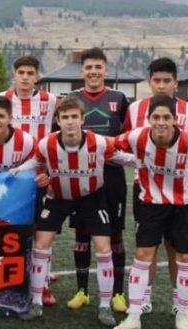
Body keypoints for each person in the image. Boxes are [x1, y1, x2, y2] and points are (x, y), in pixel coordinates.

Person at [19, 97, 134, 326]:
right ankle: (36, 302)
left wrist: (147, 160)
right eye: (65, 117)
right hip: (59, 197)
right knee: (41, 244)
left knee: (103, 247)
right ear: (58, 121)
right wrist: (14, 172)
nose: (70, 122)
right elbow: (33, 163)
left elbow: (123, 158)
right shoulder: (46, 144)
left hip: (92, 197)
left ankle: (104, 307)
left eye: (74, 117)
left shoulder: (99, 142)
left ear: (82, 119)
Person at [113, 95, 188, 329]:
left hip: (184, 205)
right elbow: (111, 147)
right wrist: (133, 160)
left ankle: (182, 315)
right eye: (156, 117)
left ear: (175, 120)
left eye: (166, 117)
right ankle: (134, 315)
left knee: (185, 257)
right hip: (152, 204)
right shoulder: (137, 136)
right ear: (149, 119)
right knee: (142, 255)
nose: (160, 122)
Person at [123, 57, 188, 320]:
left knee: (177, 249)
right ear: (149, 82)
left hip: (180, 192)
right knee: (146, 248)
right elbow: (128, 143)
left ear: (176, 83)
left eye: (166, 81)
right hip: (145, 189)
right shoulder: (135, 109)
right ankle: (144, 298)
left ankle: (178, 301)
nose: (161, 85)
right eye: (156, 80)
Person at [66, 47, 130, 312]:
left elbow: (128, 138)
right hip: (80, 179)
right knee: (82, 233)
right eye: (88, 67)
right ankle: (82, 291)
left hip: (112, 179)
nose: (93, 72)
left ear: (105, 69)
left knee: (114, 235)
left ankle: (118, 294)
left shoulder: (119, 98)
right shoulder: (72, 99)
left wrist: (111, 152)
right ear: (82, 71)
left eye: (98, 67)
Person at [0, 55, 59, 306]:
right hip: (12, 178)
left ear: (37, 77)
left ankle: (42, 283)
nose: (25, 77)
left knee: (42, 231)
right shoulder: (3, 99)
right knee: (10, 230)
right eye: (20, 72)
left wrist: (49, 169)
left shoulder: (50, 100)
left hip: (40, 177)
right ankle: (9, 277)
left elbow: (59, 130)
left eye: (30, 73)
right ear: (14, 75)